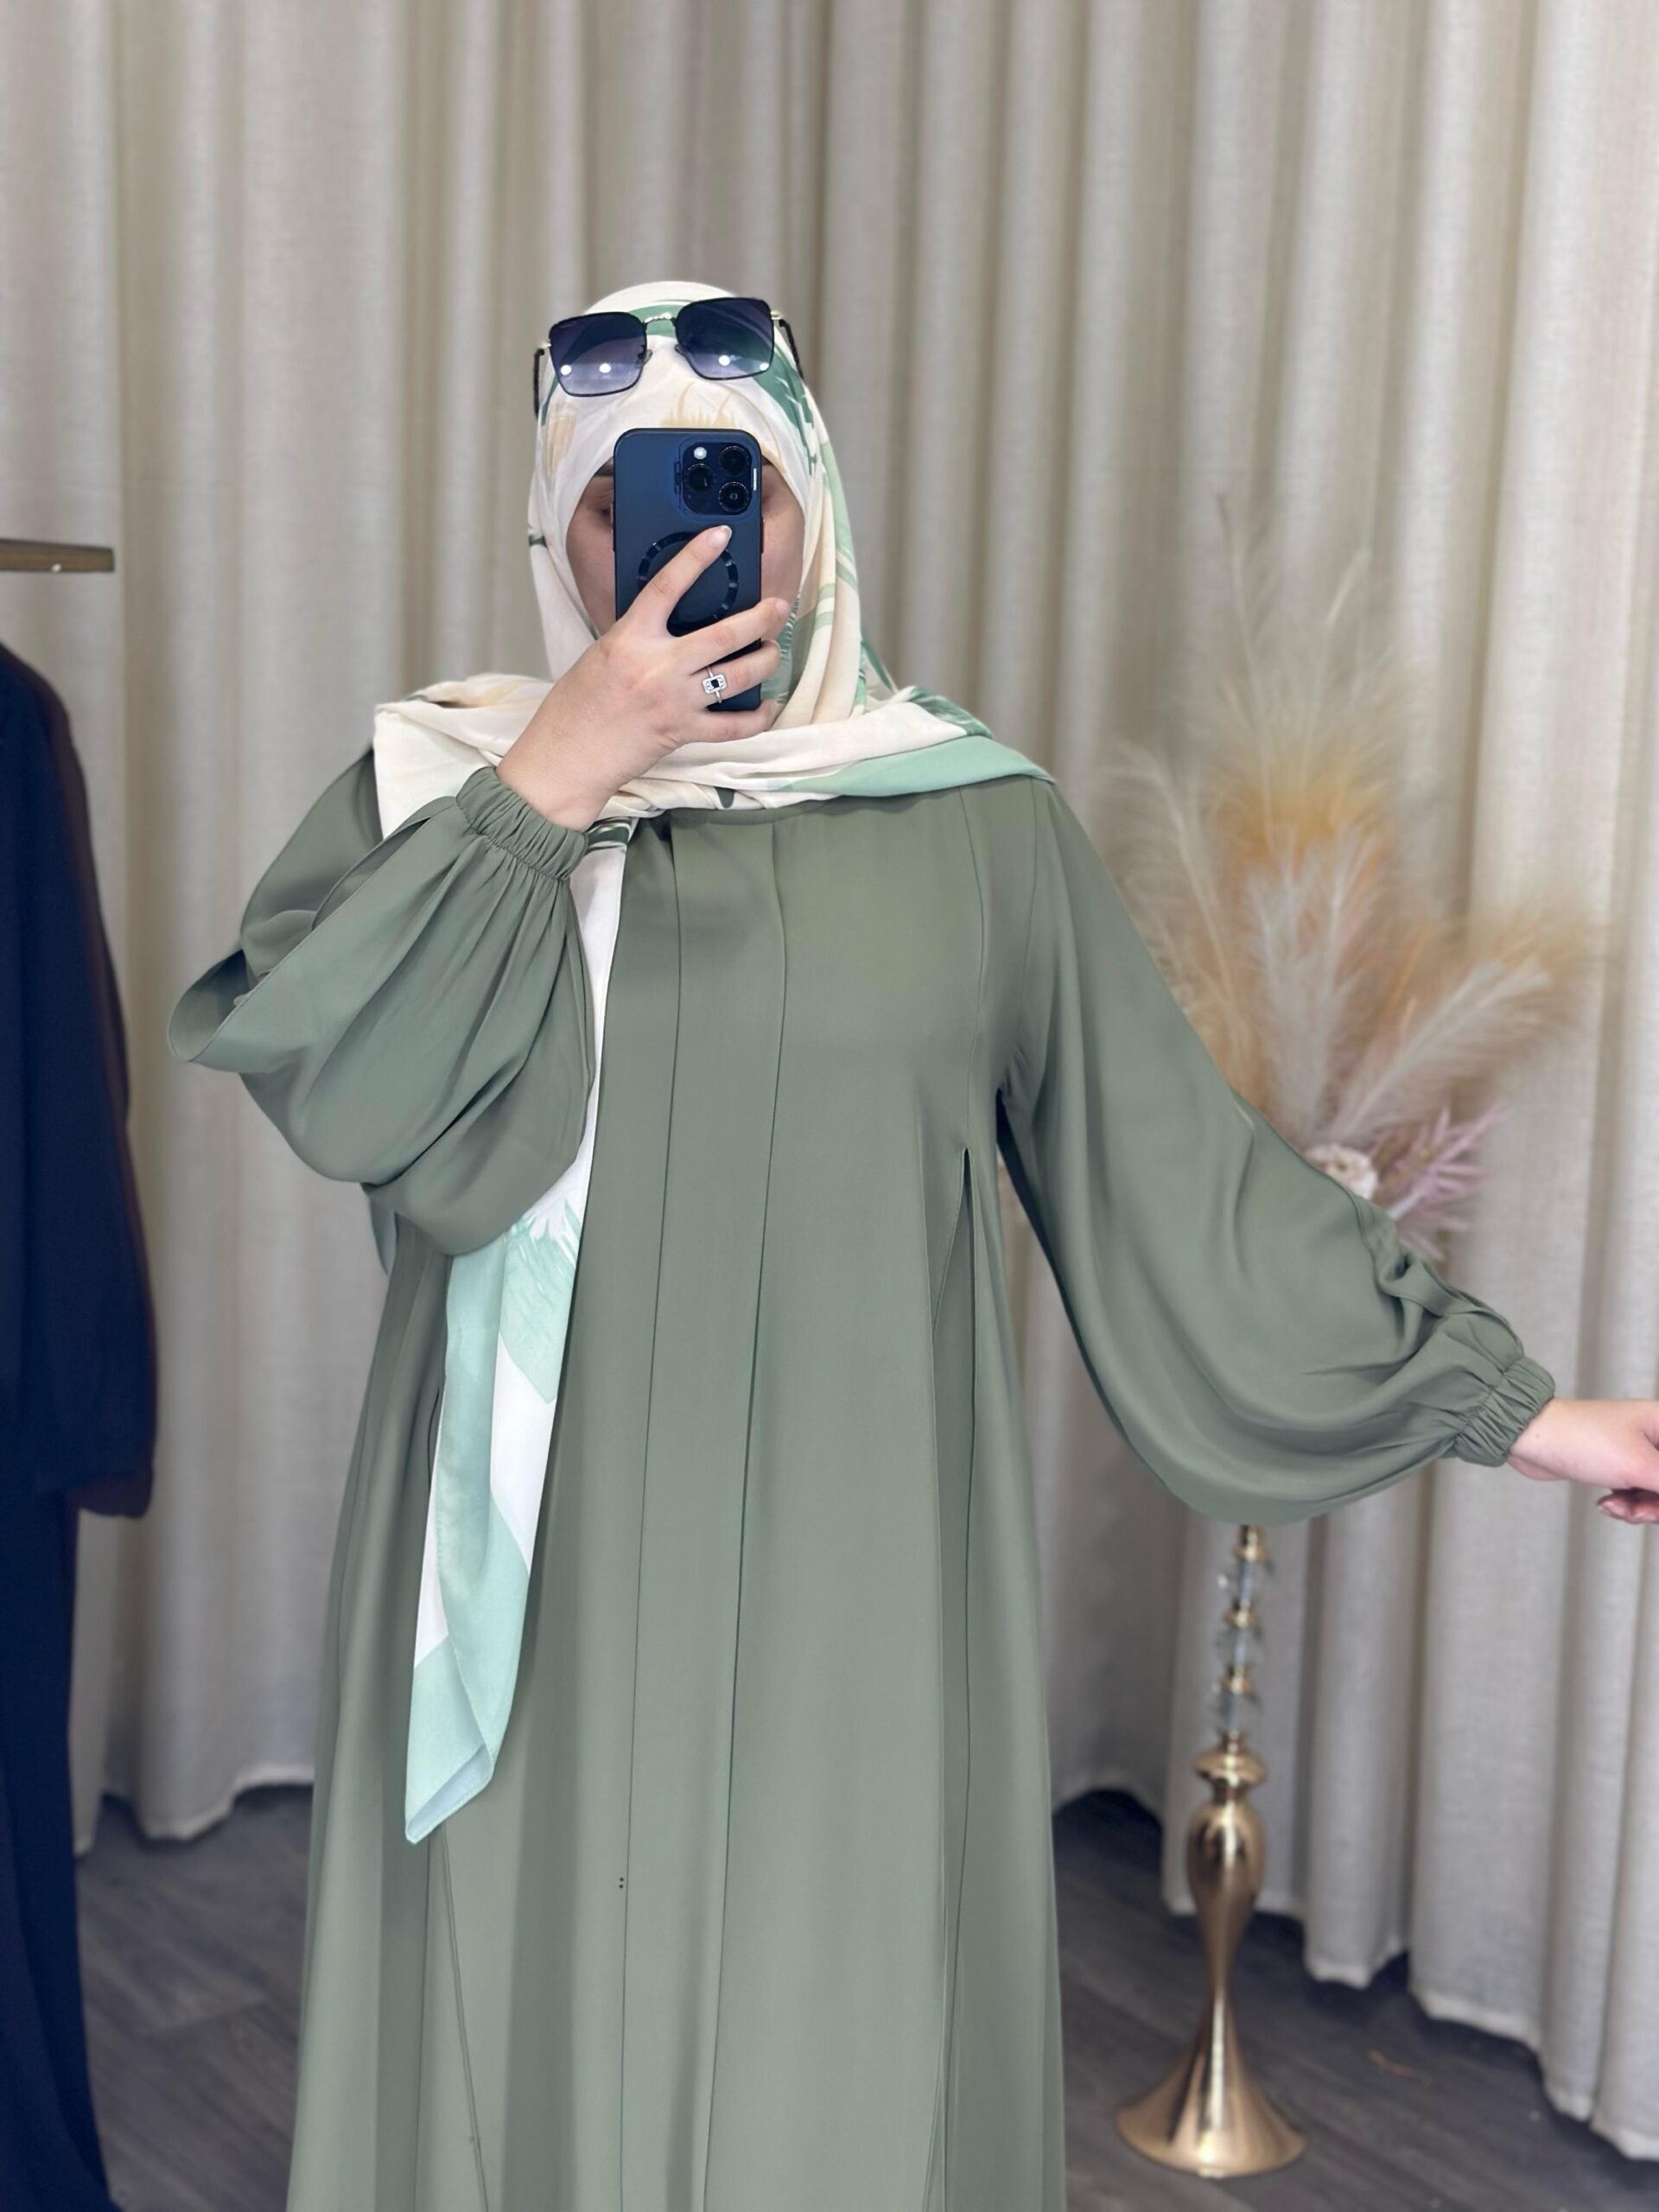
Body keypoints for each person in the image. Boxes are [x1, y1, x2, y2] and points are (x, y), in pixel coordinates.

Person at [167, 277, 1659, 2212]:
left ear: (816, 514)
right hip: (536, 1563)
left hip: (853, 1577)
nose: (680, 547)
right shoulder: (443, 793)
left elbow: (1174, 1173)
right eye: (620, 502)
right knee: (524, 2011)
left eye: (740, 493)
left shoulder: (974, 825)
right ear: (555, 530)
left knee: (827, 2043)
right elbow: (339, 1081)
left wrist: (1527, 1414)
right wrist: (561, 773)